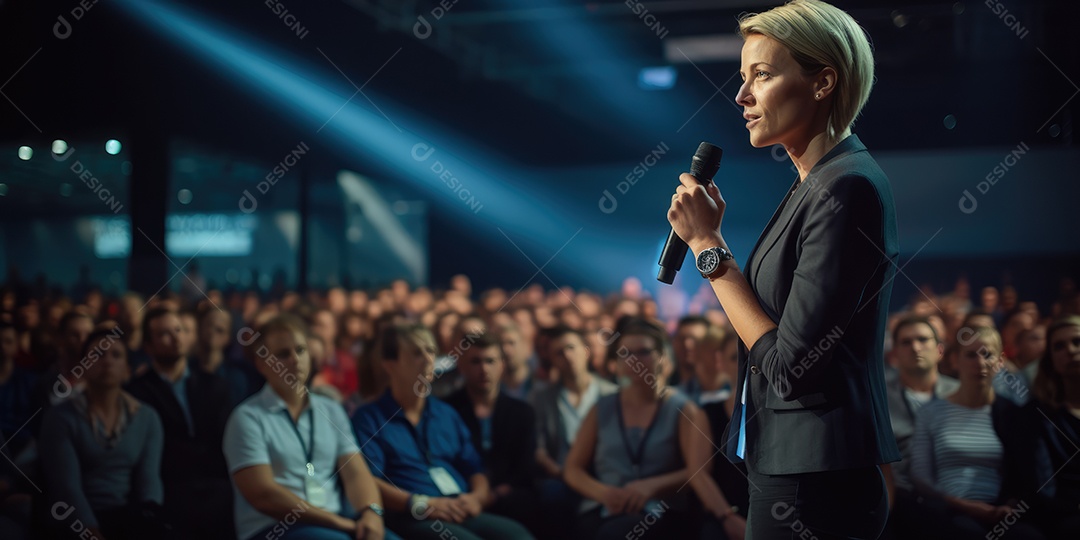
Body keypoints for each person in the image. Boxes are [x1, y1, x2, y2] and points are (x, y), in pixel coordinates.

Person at [665, 1, 899, 536]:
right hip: (790, 466)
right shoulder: (813, 183)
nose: (742, 96)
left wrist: (708, 249)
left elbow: (794, 368)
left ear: (823, 83)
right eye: (742, 78)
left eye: (762, 76)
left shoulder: (847, 187)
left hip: (816, 478)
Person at [351, 324, 533, 540]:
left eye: (430, 351)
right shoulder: (370, 419)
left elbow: (474, 467)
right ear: (390, 364)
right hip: (409, 514)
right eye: (417, 353)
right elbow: (368, 481)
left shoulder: (445, 413)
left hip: (456, 505)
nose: (428, 360)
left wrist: (477, 497)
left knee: (518, 536)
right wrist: (420, 503)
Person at [224, 315, 394, 540]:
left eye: (301, 350)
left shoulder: (331, 409)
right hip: (274, 529)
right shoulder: (247, 418)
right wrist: (339, 523)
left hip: (335, 524)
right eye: (283, 354)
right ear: (262, 364)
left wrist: (371, 514)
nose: (295, 359)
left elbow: (356, 473)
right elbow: (263, 495)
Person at [563, 319, 705, 540]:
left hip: (660, 508)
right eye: (625, 353)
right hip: (606, 506)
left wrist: (651, 487)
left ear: (661, 357)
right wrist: (605, 493)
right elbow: (573, 469)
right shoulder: (603, 407)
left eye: (644, 352)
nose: (634, 360)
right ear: (614, 363)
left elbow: (698, 470)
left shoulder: (683, 409)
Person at [39, 329, 180, 540]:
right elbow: (66, 487)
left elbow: (149, 480)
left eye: (116, 355)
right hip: (75, 519)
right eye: (97, 355)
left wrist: (150, 520)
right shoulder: (60, 417)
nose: (107, 362)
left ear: (127, 370)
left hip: (128, 516)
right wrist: (89, 531)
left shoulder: (147, 417)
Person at [908, 326, 1043, 540]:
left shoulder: (1011, 414)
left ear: (1000, 362)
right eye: (971, 355)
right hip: (949, 510)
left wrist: (1008, 506)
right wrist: (964, 505)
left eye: (987, 354)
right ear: (955, 361)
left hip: (1000, 511)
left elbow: (1027, 475)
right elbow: (920, 475)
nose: (979, 363)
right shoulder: (931, 412)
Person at [124, 307, 234, 540]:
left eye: (179, 330)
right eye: (164, 334)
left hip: (215, 484)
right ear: (148, 346)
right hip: (169, 485)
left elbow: (225, 439)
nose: (176, 338)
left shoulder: (214, 385)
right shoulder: (137, 391)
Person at [445, 333, 540, 535]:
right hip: (460, 495)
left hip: (508, 495)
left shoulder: (521, 412)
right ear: (462, 366)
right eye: (475, 361)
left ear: (502, 365)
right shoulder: (447, 409)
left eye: (490, 361)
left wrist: (492, 495)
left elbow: (524, 470)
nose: (484, 369)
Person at [1007, 315, 1080, 538]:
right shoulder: (1036, 415)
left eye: (1077, 342)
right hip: (1066, 514)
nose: (1070, 350)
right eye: (1059, 346)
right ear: (1050, 360)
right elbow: (1040, 487)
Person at [686, 328, 748, 540]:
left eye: (752, 356)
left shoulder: (775, 413)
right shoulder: (708, 413)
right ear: (720, 361)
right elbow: (699, 473)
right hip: (723, 514)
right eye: (735, 358)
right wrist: (728, 517)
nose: (744, 365)